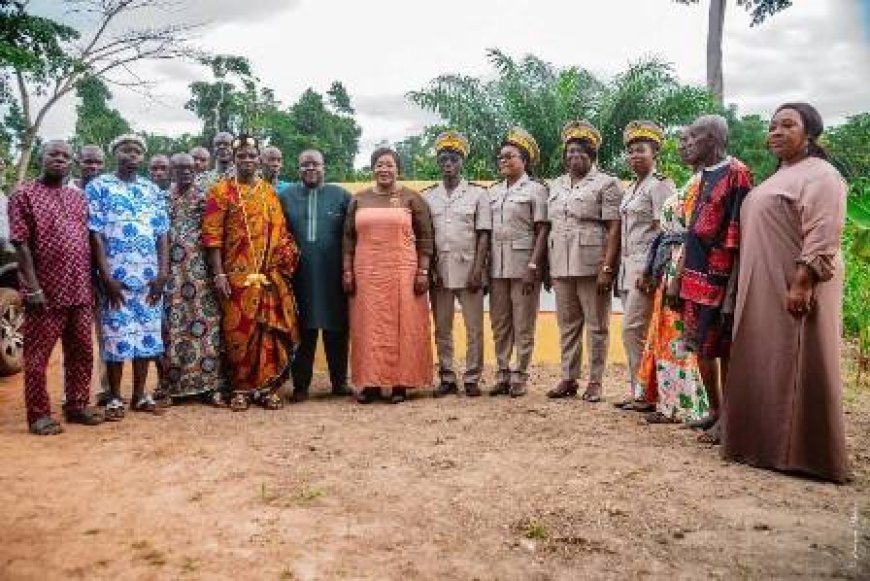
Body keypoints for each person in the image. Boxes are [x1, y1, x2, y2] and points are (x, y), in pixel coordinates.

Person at [722, 103, 848, 483]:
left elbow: (824, 231)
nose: (776, 131)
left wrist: (803, 280)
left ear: (809, 133)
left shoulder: (821, 175)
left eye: (787, 125)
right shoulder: (780, 175)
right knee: (768, 360)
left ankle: (803, 454)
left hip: (795, 284)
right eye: (773, 125)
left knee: (797, 360)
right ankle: (762, 445)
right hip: (763, 285)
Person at [9, 140, 104, 434]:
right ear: (42, 158)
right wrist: (32, 288)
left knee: (82, 352)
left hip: (79, 288)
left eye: (65, 155)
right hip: (45, 292)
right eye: (54, 154)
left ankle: (76, 406)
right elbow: (20, 244)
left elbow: (87, 241)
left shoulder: (77, 198)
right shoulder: (24, 195)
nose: (60, 159)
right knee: (37, 357)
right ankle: (38, 415)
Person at [202, 134, 301, 411]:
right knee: (238, 333)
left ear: (259, 159)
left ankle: (266, 388)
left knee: (266, 332)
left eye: (251, 155)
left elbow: (280, 232)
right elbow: (212, 237)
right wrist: (219, 274)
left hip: (268, 274)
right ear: (234, 159)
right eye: (242, 155)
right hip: (235, 277)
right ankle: (240, 389)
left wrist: (281, 261)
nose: (247, 160)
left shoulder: (269, 192)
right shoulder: (220, 192)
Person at [677, 115, 752, 443]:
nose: (688, 143)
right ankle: (715, 411)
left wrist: (732, 289)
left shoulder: (737, 173)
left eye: (694, 137)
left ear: (712, 139)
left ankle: (731, 421)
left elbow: (738, 234)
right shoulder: (702, 175)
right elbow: (692, 231)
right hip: (695, 274)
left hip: (720, 278)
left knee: (724, 348)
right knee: (701, 346)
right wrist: (678, 276)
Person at [342, 147, 434, 404]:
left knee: (403, 326)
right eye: (379, 165)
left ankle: (399, 385)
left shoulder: (412, 199)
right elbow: (348, 238)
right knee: (368, 326)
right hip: (366, 273)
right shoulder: (358, 199)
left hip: (402, 272)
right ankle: (370, 383)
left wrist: (423, 271)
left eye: (389, 165)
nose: (384, 169)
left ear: (398, 169)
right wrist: (347, 270)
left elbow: (426, 238)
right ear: (372, 169)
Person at [87, 134, 170, 418]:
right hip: (116, 278)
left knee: (147, 336)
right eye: (126, 149)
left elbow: (162, 234)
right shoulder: (100, 187)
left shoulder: (152, 190)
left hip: (148, 277)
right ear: (115, 153)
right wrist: (105, 275)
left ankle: (139, 396)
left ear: (142, 157)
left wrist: (163, 273)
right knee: (115, 336)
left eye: (137, 151)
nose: (132, 154)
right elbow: (95, 235)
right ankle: (114, 398)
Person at [635, 137, 709, 424]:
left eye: (692, 141)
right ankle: (665, 400)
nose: (684, 147)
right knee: (665, 335)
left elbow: (693, 234)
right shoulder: (691, 181)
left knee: (678, 338)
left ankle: (681, 405)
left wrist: (678, 276)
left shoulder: (706, 183)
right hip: (670, 264)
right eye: (682, 142)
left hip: (684, 267)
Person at [545, 121, 620, 403]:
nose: (575, 157)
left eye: (581, 152)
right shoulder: (556, 184)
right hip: (561, 261)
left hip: (591, 263)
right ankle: (568, 377)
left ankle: (596, 381)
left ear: (592, 156)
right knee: (567, 324)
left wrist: (606, 267)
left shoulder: (607, 183)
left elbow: (614, 227)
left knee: (596, 324)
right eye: (570, 152)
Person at [278, 149, 352, 402]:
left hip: (334, 275)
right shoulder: (285, 196)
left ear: (324, 167)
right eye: (305, 164)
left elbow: (352, 234)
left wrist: (349, 269)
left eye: (315, 164)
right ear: (298, 168)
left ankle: (340, 383)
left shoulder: (341, 196)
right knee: (303, 330)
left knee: (337, 329)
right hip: (299, 276)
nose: (310, 168)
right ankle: (300, 386)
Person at [422, 131, 491, 397]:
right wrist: (429, 270)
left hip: (469, 270)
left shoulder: (477, 194)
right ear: (438, 163)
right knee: (443, 327)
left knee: (474, 327)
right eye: (443, 159)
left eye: (453, 158)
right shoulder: (428, 196)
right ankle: (447, 376)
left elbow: (484, 233)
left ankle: (472, 377)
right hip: (440, 271)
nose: (448, 163)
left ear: (462, 162)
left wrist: (478, 270)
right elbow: (425, 236)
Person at [613, 121, 675, 410]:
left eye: (641, 150)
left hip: (645, 269)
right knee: (635, 331)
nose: (635, 156)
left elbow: (665, 232)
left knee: (632, 329)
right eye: (631, 151)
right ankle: (639, 390)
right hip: (628, 268)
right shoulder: (630, 188)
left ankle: (647, 392)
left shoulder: (660, 184)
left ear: (655, 154)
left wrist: (653, 271)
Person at [162, 153, 228, 401]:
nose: (185, 172)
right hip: (172, 273)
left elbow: (214, 235)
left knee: (207, 324)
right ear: (171, 170)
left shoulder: (207, 195)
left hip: (201, 272)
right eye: (179, 168)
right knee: (174, 326)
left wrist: (217, 271)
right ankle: (174, 386)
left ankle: (210, 385)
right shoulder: (163, 198)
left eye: (189, 168)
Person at [488, 128, 549, 398]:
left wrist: (534, 266)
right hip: (497, 267)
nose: (504, 161)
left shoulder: (536, 190)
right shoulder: (492, 192)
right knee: (500, 323)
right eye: (501, 157)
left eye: (510, 157)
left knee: (523, 323)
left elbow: (542, 230)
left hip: (524, 265)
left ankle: (520, 375)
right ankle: (502, 373)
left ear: (524, 160)